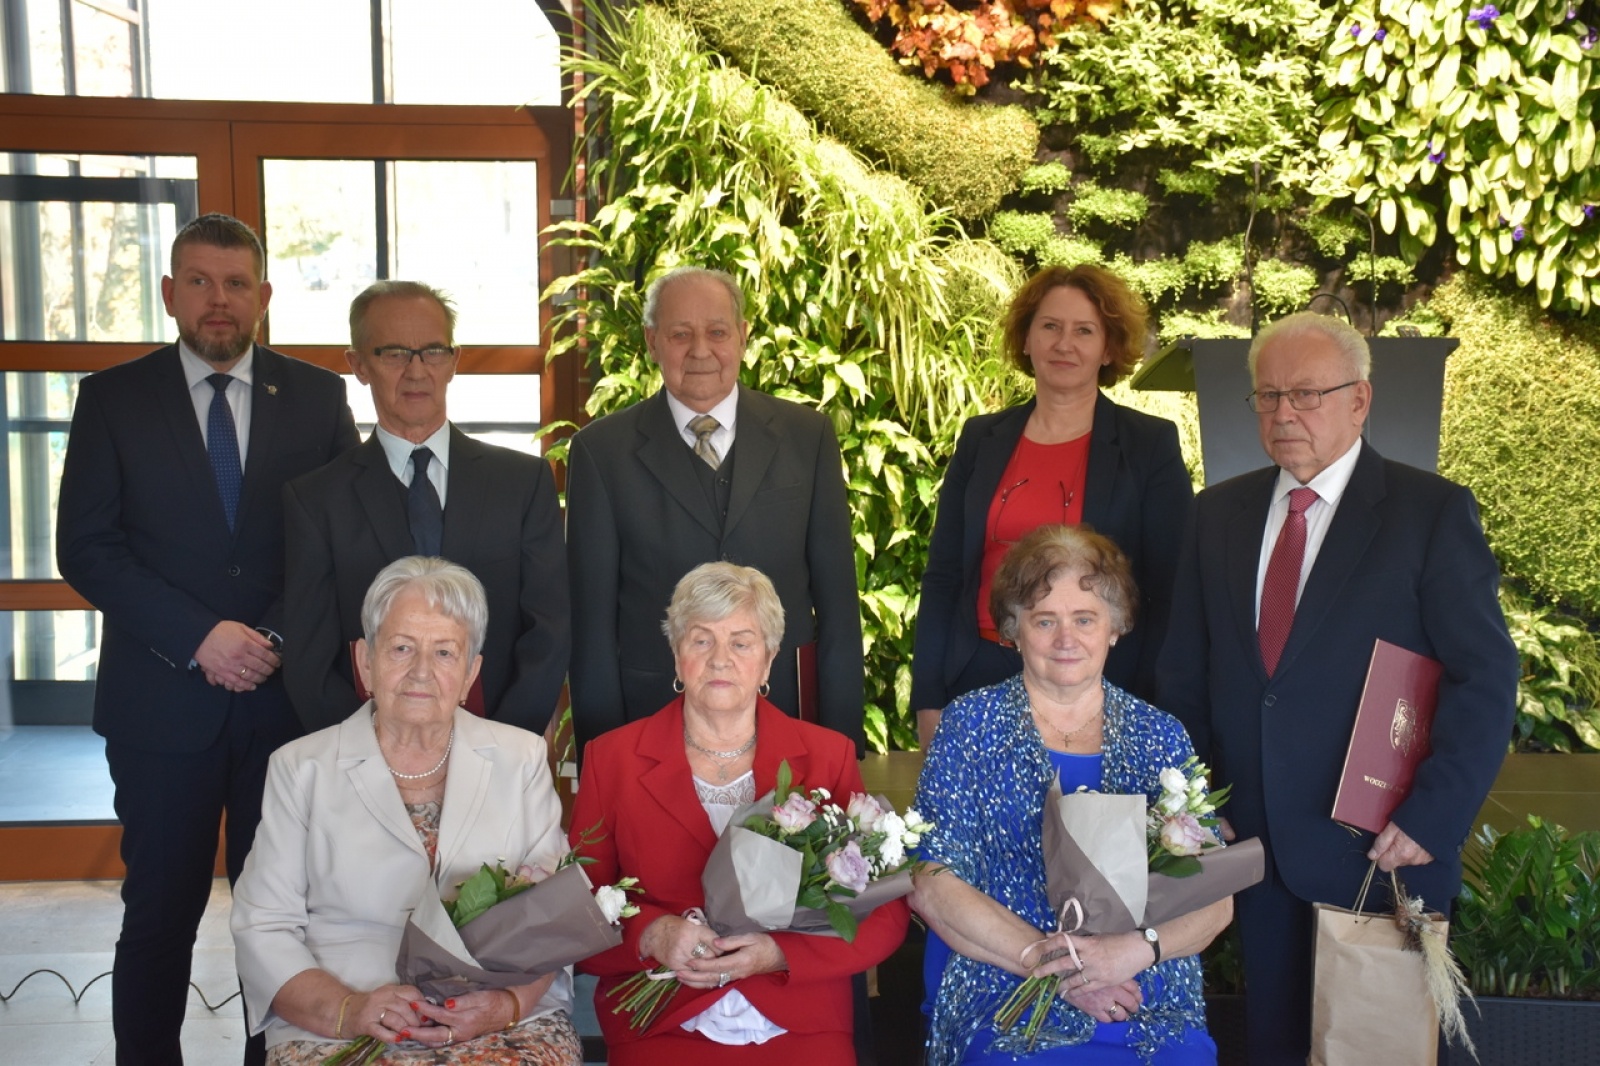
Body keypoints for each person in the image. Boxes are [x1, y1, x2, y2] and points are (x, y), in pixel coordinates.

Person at [1155, 311, 1519, 1065]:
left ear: (1361, 400)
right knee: (1276, 1046)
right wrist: (1192, 804)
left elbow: (1484, 675)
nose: (1284, 413)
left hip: (1384, 848)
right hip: (1251, 847)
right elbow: (1183, 676)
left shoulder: (1431, 513)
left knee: (1382, 1049)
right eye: (1268, 396)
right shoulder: (1215, 515)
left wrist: (1434, 816)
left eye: (1307, 394)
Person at [55, 212, 359, 1065]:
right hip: (160, 707)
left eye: (234, 284)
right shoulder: (112, 398)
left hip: (285, 706)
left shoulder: (317, 396)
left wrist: (266, 634)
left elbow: (336, 537)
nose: (216, 301)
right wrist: (200, 638)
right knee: (159, 915)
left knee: (284, 918)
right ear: (169, 294)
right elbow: (86, 547)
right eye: (198, 282)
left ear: (263, 295)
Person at [231, 557, 581, 1065]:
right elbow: (263, 925)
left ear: (470, 673)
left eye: (444, 652)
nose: (421, 672)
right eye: (401, 649)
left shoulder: (520, 757)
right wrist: (350, 1008)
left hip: (497, 1018)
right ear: (365, 662)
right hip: (342, 1022)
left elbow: (551, 914)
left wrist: (505, 1005)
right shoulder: (301, 768)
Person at [568, 562, 909, 1065]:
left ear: (769, 660)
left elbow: (884, 913)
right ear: (677, 654)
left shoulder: (827, 757)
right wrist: (653, 935)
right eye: (701, 640)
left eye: (742, 642)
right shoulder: (611, 759)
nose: (720, 659)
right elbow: (575, 916)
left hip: (800, 1019)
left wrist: (780, 953)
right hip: (662, 1020)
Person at [913, 525, 1230, 1066]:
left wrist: (1130, 953)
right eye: (1044, 620)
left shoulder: (1161, 736)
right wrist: (1054, 964)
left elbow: (1214, 898)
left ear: (1115, 627)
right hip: (1006, 984)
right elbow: (933, 882)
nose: (1067, 639)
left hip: (1141, 990)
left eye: (1085, 619)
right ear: (1013, 630)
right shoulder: (969, 725)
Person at [565, 266, 864, 754]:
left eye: (717, 332)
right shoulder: (602, 453)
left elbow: (837, 608)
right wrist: (600, 757)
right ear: (652, 342)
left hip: (784, 712)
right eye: (680, 334)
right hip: (651, 717)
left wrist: (843, 745)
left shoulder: (807, 437)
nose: (700, 350)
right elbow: (591, 628)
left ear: (743, 337)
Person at [912, 264, 1192, 749]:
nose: (1065, 344)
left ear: (1108, 347)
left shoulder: (1149, 444)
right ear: (1026, 339)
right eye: (1050, 327)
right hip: (977, 674)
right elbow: (943, 577)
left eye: (1084, 331)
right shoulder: (982, 439)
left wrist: (1150, 700)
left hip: (1095, 685)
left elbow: (1171, 591)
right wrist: (928, 697)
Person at [283, 280, 569, 734]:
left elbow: (549, 632)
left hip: (501, 752)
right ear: (358, 364)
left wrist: (501, 744)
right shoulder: (316, 500)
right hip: (362, 764)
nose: (416, 371)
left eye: (433, 351)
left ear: (455, 361)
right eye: (393, 353)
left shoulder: (522, 483)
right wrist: (369, 755)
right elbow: (309, 658)